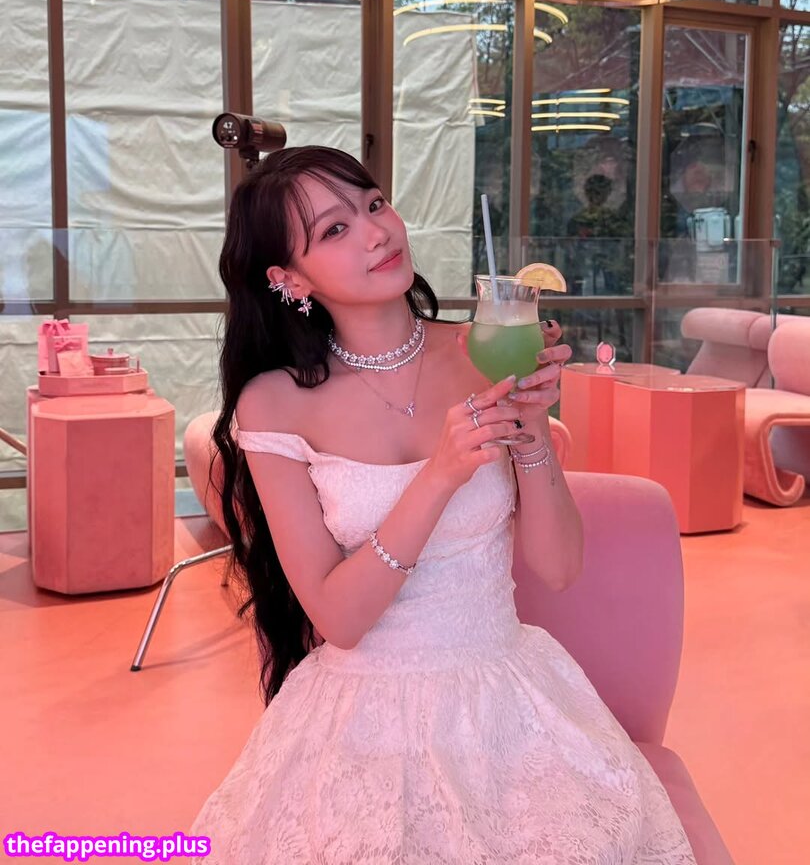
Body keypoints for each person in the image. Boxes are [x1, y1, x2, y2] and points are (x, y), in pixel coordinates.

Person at [189, 145, 697, 864]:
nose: (377, 231)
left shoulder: (486, 349)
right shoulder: (274, 404)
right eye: (335, 229)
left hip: (507, 697)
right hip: (361, 719)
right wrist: (439, 476)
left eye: (374, 204)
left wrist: (533, 431)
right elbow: (339, 620)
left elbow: (558, 568)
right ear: (288, 277)